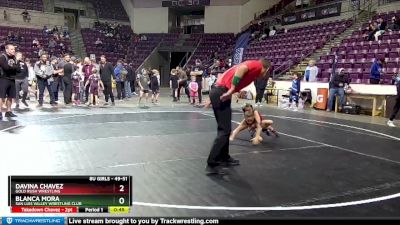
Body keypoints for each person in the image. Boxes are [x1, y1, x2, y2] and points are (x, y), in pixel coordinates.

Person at [206, 58, 270, 174]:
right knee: (224, 131)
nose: (264, 74)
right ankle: (212, 163)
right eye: (266, 72)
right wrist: (232, 88)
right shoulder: (257, 66)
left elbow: (227, 75)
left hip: (219, 91)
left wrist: (214, 96)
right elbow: (242, 69)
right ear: (265, 68)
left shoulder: (250, 66)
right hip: (221, 92)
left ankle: (224, 157)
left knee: (225, 129)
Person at [0, 44, 21, 119]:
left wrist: (13, 67)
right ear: (7, 50)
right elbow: (6, 68)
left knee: (10, 96)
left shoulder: (15, 58)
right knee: (1, 96)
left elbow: (19, 70)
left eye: (14, 49)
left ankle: (8, 112)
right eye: (11, 49)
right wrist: (14, 67)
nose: (13, 51)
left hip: (12, 79)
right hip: (3, 79)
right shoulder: (3, 57)